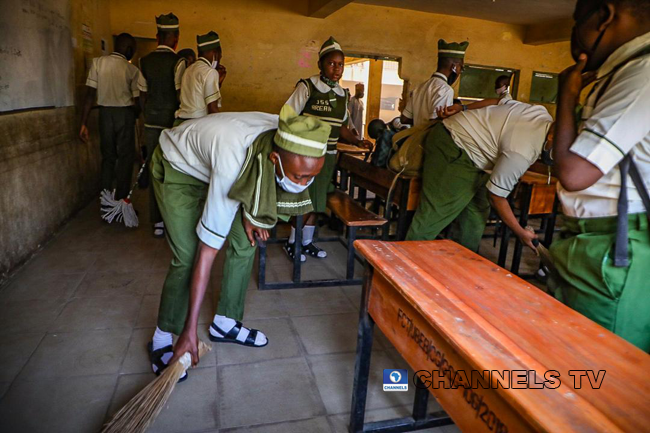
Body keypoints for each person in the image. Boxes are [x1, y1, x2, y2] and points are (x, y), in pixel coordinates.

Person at [149, 106, 330, 373]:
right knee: (188, 255)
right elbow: (208, 251)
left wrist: (250, 214)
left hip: (216, 161)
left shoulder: (285, 134)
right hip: (179, 165)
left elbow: (256, 176)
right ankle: (163, 335)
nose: (304, 184)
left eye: (311, 177)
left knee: (247, 241)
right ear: (274, 160)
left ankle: (225, 322)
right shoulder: (232, 159)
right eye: (298, 177)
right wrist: (190, 331)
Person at [550, 0, 650, 351]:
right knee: (569, 365)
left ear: (604, 16)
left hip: (617, 251)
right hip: (592, 241)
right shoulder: (623, 72)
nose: (573, 39)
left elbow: (574, 173)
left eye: (577, 24)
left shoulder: (644, 72)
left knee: (597, 374)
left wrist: (566, 95)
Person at [406, 98, 553, 252]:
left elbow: (498, 101)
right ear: (551, 137)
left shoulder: (541, 113)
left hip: (479, 158)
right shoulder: (522, 151)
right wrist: (520, 232)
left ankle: (462, 264)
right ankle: (404, 265)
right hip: (455, 145)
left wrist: (463, 107)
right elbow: (496, 197)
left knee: (475, 218)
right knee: (435, 215)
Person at [283, 36, 372, 261]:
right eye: (331, 63)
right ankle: (292, 243)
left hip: (328, 156)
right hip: (305, 158)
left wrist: (356, 141)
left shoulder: (343, 95)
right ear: (320, 64)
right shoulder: (308, 87)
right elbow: (287, 117)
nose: (336, 68)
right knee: (303, 201)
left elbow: (341, 127)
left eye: (340, 64)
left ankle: (306, 242)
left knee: (317, 202)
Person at [138, 13, 186, 238]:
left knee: (153, 168)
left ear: (157, 37)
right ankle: (171, 219)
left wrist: (147, 115)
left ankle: (156, 221)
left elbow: (142, 95)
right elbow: (180, 95)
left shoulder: (144, 61)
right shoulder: (179, 63)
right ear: (176, 38)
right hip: (171, 125)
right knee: (172, 171)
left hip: (151, 123)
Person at [79, 33, 140, 208]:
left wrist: (83, 123)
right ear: (128, 49)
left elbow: (90, 95)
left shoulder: (98, 63)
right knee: (125, 159)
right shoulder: (132, 70)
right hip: (125, 115)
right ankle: (121, 204)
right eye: (133, 51)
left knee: (108, 158)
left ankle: (106, 204)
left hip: (104, 115)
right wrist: (138, 113)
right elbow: (137, 101)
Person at [400, 40, 468, 127]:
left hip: (417, 137)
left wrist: (420, 119)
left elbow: (404, 119)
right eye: (461, 68)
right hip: (428, 139)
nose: (459, 73)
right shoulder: (445, 90)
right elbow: (435, 125)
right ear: (454, 67)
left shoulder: (420, 87)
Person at [175, 31, 226, 124]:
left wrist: (219, 83)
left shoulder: (189, 69)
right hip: (196, 124)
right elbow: (212, 109)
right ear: (215, 53)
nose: (220, 58)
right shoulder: (210, 72)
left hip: (181, 122)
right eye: (220, 55)